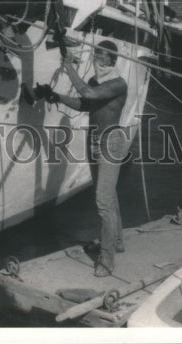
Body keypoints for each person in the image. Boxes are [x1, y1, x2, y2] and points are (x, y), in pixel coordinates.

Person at [52, 40, 128, 277]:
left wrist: (68, 67)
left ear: (112, 61)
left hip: (111, 143)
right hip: (93, 140)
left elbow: (88, 93)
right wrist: (56, 96)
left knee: (102, 201)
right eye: (96, 56)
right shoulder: (96, 81)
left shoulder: (118, 84)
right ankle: (117, 242)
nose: (98, 60)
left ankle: (107, 260)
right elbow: (83, 103)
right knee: (108, 194)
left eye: (103, 57)